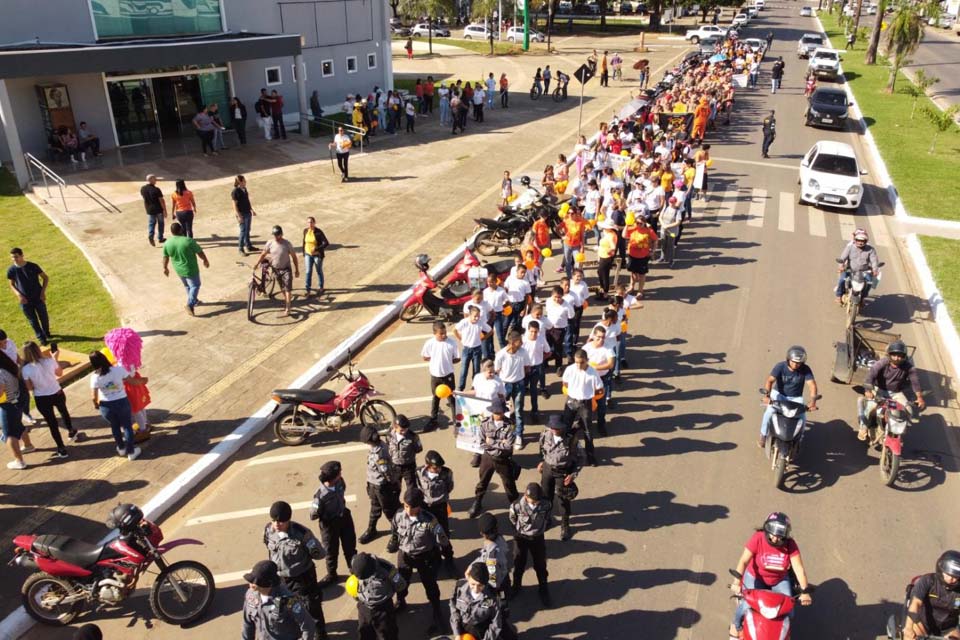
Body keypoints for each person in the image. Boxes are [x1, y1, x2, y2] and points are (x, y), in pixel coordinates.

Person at [729, 512, 813, 638]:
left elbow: (799, 569)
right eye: (773, 533)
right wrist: (736, 583)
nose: (775, 538)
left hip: (779, 580)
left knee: (790, 611)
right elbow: (743, 561)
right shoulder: (758, 538)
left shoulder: (791, 545)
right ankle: (736, 627)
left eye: (780, 535)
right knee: (745, 606)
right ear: (766, 529)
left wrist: (805, 592)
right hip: (756, 577)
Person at [263, 500, 328, 636]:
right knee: (287, 607)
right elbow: (269, 547)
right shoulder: (269, 530)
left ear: (288, 520)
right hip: (281, 580)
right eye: (274, 520)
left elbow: (319, 553)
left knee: (311, 608)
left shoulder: (302, 534)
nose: (276, 524)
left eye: (280, 521)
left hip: (302, 579)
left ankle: (320, 634)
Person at [393, 486, 448, 634]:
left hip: (425, 557)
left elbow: (442, 540)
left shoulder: (430, 521)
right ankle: (401, 601)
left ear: (419, 506)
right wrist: (394, 542)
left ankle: (437, 611)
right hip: (405, 555)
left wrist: (441, 557)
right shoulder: (399, 515)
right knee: (401, 581)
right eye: (405, 506)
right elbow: (395, 530)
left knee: (430, 586)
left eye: (411, 507)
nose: (407, 510)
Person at [857, 340, 925, 441]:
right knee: (870, 408)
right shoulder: (882, 363)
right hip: (879, 390)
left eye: (900, 356)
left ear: (904, 357)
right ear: (889, 355)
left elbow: (915, 381)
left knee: (909, 411)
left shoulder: (908, 367)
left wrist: (919, 397)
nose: (897, 358)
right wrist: (868, 390)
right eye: (894, 355)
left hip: (896, 393)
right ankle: (863, 428)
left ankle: (898, 430)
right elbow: (871, 374)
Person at [21, 341, 78, 457]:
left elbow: (29, 387)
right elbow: (60, 373)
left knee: (52, 423)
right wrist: (55, 358)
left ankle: (61, 448)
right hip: (57, 392)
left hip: (41, 398)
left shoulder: (26, 369)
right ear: (38, 350)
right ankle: (71, 431)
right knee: (63, 411)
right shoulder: (49, 360)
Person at [468, 397, 520, 518]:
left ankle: (515, 506)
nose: (498, 415)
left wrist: (491, 442)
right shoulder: (485, 423)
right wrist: (499, 443)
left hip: (503, 459)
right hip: (488, 458)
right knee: (482, 481)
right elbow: (481, 442)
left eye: (500, 412)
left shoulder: (510, 425)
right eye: (496, 412)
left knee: (509, 484)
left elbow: (508, 445)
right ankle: (478, 501)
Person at [241, 560, 317, 640]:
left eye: (255, 582)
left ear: (268, 584)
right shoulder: (250, 595)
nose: (251, 583)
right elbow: (247, 624)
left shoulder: (288, 600)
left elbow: (308, 625)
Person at [760, 346, 819, 449]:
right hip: (779, 394)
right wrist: (767, 396)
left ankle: (798, 440)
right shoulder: (780, 367)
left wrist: (813, 402)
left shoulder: (805, 369)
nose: (796, 365)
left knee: (802, 418)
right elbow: (769, 381)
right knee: (769, 412)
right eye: (793, 362)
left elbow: (812, 385)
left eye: (799, 363)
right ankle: (763, 435)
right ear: (788, 359)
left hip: (795, 398)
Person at [310, 460, 357, 586]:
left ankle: (355, 570)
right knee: (331, 550)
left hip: (344, 517)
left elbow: (343, 491)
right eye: (339, 472)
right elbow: (313, 514)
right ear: (333, 476)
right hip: (330, 525)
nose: (341, 474)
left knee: (350, 546)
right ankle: (332, 574)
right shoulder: (320, 495)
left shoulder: (340, 482)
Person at [89, 350, 142, 461]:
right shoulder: (118, 370)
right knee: (127, 426)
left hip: (106, 405)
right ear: (104, 358)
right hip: (122, 401)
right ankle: (131, 451)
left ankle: (121, 448)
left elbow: (94, 397)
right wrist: (142, 381)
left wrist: (96, 405)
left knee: (115, 426)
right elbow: (132, 381)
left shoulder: (94, 377)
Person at [539, 414, 583, 541]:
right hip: (547, 469)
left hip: (563, 473)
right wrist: (542, 461)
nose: (554, 430)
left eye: (556, 428)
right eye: (552, 427)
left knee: (563, 500)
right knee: (546, 497)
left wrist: (573, 474)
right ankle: (547, 519)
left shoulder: (571, 440)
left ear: (562, 428)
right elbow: (542, 449)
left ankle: (565, 524)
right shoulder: (545, 434)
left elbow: (581, 458)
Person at [508, 483, 553, 607]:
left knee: (540, 565)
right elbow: (512, 520)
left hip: (538, 538)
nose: (535, 504)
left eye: (537, 502)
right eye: (533, 502)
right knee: (518, 564)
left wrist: (540, 530)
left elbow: (548, 519)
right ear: (526, 497)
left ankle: (543, 588)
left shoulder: (546, 504)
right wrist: (520, 532)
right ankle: (516, 586)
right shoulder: (517, 506)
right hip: (521, 538)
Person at [358, 425, 401, 551]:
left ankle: (396, 535)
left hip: (382, 487)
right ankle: (372, 529)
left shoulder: (379, 453)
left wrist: (393, 484)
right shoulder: (374, 449)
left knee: (389, 512)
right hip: (373, 484)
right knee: (375, 509)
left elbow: (386, 472)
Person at [901, 551, 960, 640]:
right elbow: (915, 604)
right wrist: (908, 628)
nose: (951, 579)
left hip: (948, 628)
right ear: (941, 570)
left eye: (955, 576)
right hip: (922, 624)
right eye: (947, 574)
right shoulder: (927, 581)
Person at [562, 348, 604, 466]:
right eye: (576, 362)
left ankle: (590, 456)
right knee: (565, 427)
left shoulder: (593, 372)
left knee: (588, 431)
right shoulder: (570, 370)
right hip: (571, 401)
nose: (579, 365)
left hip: (585, 403)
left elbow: (600, 389)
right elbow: (565, 383)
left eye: (582, 362)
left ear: (587, 361)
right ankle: (565, 452)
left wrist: (591, 396)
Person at [450, 563, 513, 640]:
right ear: (468, 577)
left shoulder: (491, 597)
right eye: (473, 584)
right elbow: (454, 609)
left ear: (486, 583)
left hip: (482, 631)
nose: (476, 589)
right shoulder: (459, 587)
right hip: (463, 628)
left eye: (480, 585)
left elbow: (496, 622)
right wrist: (457, 633)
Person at [352, 552, 405, 640]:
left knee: (387, 635)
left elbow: (401, 584)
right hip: (364, 607)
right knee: (364, 634)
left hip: (383, 609)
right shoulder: (355, 562)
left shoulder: (387, 569)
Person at [416, 450, 455, 567]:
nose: (438, 470)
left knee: (443, 534)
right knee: (427, 534)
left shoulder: (447, 473)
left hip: (440, 507)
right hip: (425, 508)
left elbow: (449, 487)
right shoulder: (418, 472)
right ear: (427, 466)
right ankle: (435, 558)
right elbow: (417, 487)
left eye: (439, 467)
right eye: (435, 468)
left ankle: (449, 559)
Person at [161, 221, 208, 316]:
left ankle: (194, 300)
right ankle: (190, 304)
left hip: (178, 270)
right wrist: (205, 260)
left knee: (187, 286)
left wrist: (165, 268)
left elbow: (165, 257)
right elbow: (200, 252)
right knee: (195, 285)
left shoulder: (167, 243)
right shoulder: (188, 241)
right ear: (181, 230)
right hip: (190, 269)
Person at [421, 321, 459, 432]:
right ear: (434, 333)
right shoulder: (429, 343)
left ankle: (457, 422)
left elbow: (457, 358)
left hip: (448, 376)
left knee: (451, 399)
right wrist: (435, 360)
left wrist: (447, 362)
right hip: (435, 376)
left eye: (445, 333)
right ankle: (433, 420)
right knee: (435, 397)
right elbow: (425, 357)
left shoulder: (452, 343)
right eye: (441, 334)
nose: (444, 335)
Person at [8, 248, 51, 345]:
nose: (14, 259)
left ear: (22, 255)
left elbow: (45, 277)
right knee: (33, 320)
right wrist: (19, 295)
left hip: (38, 297)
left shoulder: (33, 266)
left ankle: (46, 333)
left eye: (16, 257)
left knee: (44, 317)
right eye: (12, 257)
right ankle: (41, 338)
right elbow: (11, 284)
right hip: (25, 301)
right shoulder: (11, 270)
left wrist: (43, 292)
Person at [0, 349, 34, 470]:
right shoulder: (9, 367)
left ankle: (19, 461)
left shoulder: (0, 373)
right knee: (18, 425)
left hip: (8, 405)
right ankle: (28, 445)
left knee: (9, 434)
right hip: (17, 400)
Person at [256, 225, 299, 317]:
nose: (276, 237)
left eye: (277, 235)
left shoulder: (287, 244)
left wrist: (297, 270)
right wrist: (257, 263)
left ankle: (288, 308)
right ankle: (287, 300)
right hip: (276, 270)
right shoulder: (270, 243)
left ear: (281, 234)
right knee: (282, 288)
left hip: (286, 269)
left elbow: (294, 257)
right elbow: (263, 254)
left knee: (287, 289)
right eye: (274, 235)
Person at [835, 228, 880, 305]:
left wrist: (875, 270)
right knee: (842, 280)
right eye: (858, 240)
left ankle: (863, 297)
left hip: (864, 272)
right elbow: (843, 258)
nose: (860, 242)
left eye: (862, 241)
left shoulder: (871, 250)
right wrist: (841, 266)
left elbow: (874, 261)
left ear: (865, 241)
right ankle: (839, 296)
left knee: (869, 283)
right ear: (855, 240)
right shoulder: (850, 247)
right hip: (850, 270)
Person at [455, 305, 492, 392]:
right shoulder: (464, 322)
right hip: (466, 349)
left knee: (476, 370)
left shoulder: (480, 323)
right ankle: (460, 388)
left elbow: (490, 331)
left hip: (477, 349)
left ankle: (475, 387)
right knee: (464, 370)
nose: (476, 318)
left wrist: (483, 338)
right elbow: (454, 330)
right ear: (469, 315)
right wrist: (460, 339)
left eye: (478, 316)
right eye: (475, 316)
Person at [477, 512, 513, 597]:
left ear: (482, 533)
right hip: (504, 574)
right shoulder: (500, 538)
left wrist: (494, 586)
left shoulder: (490, 554)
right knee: (506, 587)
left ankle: (503, 604)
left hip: (498, 582)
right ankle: (507, 595)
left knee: (501, 595)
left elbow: (493, 573)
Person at [522, 320, 550, 425]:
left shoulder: (541, 339)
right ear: (528, 330)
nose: (533, 334)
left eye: (536, 332)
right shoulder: (523, 340)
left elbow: (548, 352)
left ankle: (534, 412)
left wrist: (541, 359)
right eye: (531, 331)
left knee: (534, 391)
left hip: (536, 368)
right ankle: (520, 411)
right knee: (521, 392)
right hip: (524, 369)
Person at [387, 414, 422, 492]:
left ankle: (412, 504)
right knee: (395, 489)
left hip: (409, 466)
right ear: (395, 427)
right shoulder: (389, 435)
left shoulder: (413, 436)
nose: (404, 432)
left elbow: (419, 449)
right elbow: (388, 446)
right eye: (401, 430)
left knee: (412, 488)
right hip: (394, 466)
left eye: (406, 429)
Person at [302, 217, 330, 297]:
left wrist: (316, 248)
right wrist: (304, 252)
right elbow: (304, 242)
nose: (310, 224)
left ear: (314, 223)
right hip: (308, 254)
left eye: (311, 222)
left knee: (319, 271)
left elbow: (326, 243)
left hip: (317, 255)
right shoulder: (305, 231)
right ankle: (308, 290)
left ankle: (321, 287)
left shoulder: (319, 232)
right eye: (308, 222)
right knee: (308, 272)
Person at [232, 175, 257, 256]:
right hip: (242, 214)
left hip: (247, 212)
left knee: (248, 230)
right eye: (244, 181)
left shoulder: (244, 189)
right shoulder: (235, 191)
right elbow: (234, 205)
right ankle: (240, 249)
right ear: (240, 182)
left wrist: (251, 210)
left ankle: (248, 246)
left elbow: (247, 200)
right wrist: (239, 216)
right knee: (243, 231)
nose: (245, 182)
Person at [140, 174, 167, 247]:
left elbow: (144, 199)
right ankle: (160, 237)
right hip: (158, 209)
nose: (156, 180)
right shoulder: (156, 189)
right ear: (150, 180)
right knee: (161, 223)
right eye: (154, 179)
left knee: (151, 224)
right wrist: (165, 210)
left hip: (149, 209)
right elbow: (161, 200)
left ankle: (151, 235)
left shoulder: (143, 189)